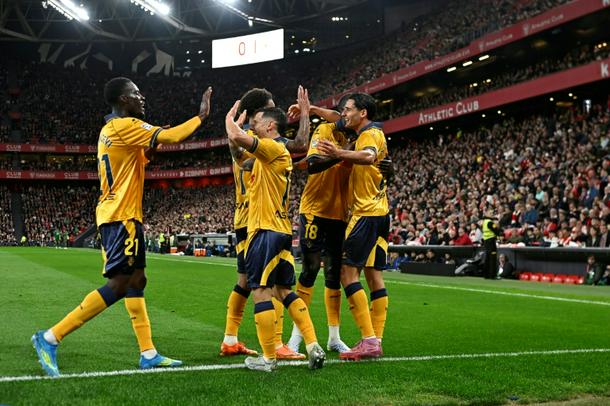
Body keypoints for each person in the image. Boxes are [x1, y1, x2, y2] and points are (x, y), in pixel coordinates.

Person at [31, 77, 213, 377]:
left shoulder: (111, 130)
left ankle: (148, 353)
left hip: (122, 215)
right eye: (136, 93)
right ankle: (50, 337)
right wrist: (201, 116)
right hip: (120, 216)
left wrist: (151, 148)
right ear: (123, 99)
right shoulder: (125, 125)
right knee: (119, 284)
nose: (142, 97)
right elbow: (173, 136)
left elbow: (139, 160)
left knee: (137, 280)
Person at [225, 99, 325, 372]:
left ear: (270, 126)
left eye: (256, 122)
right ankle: (313, 345)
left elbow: (237, 136)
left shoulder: (271, 148)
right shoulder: (268, 156)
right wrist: (234, 139)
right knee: (283, 291)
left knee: (260, 291)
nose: (252, 125)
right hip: (280, 231)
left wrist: (230, 120)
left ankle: (268, 358)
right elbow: (239, 157)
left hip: (264, 230)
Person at [317, 92, 389, 361]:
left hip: (366, 213)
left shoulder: (369, 134)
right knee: (374, 276)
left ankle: (369, 340)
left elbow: (368, 156)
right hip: (381, 212)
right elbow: (337, 119)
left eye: (348, 109)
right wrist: (312, 109)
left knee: (347, 274)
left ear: (363, 113)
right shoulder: (371, 133)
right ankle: (375, 338)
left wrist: (338, 152)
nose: (344, 114)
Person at [481, 208, 501, 279]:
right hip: (491, 241)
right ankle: (492, 275)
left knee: (487, 258)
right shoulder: (490, 222)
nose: (492, 214)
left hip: (486, 241)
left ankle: (486, 275)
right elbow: (496, 231)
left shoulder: (484, 222)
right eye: (490, 213)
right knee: (492, 258)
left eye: (492, 213)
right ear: (486, 214)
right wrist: (498, 227)